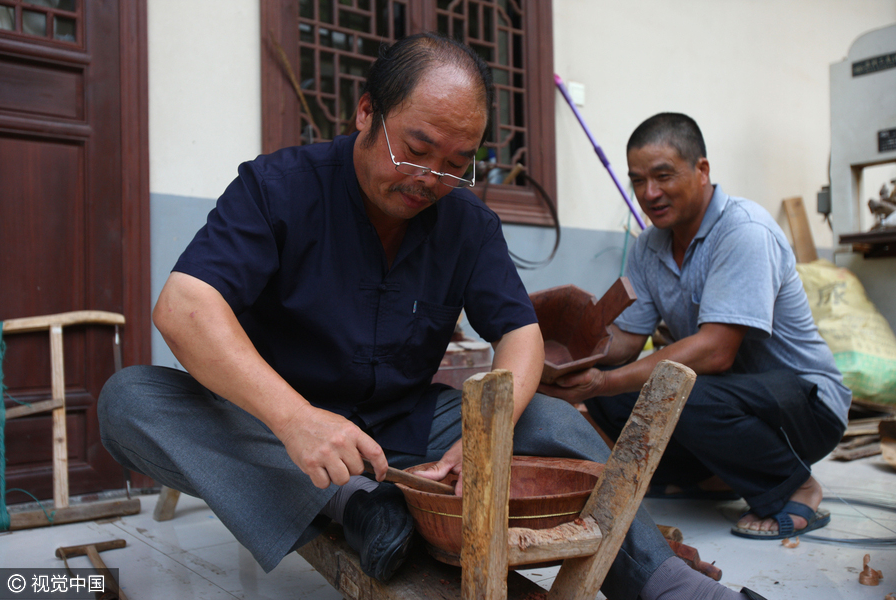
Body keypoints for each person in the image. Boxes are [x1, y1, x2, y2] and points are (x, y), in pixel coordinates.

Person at [98, 37, 765, 600]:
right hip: (278, 427)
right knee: (130, 401)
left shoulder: (465, 218)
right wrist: (296, 419)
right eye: (416, 149)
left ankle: (668, 584)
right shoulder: (279, 187)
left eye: (456, 163)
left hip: (407, 428)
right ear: (366, 113)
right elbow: (185, 306)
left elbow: (521, 333)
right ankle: (349, 503)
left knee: (557, 421)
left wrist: (488, 433)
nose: (430, 177)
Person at [540, 112, 850, 543]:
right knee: (616, 399)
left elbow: (715, 351)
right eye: (638, 180)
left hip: (806, 407)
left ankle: (799, 485)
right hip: (732, 400)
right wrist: (561, 358)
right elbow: (627, 341)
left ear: (702, 170)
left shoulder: (745, 231)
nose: (650, 193)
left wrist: (602, 382)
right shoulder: (651, 244)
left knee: (670, 389)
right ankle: (714, 477)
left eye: (663, 176)